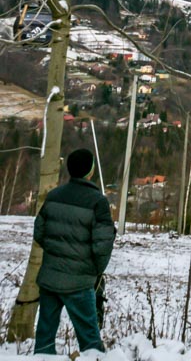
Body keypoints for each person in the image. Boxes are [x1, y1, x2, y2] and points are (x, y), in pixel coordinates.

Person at [33, 147, 116, 354]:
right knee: (90, 343)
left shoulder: (53, 196)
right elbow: (103, 244)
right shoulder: (98, 202)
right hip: (79, 282)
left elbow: (39, 232)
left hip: (49, 279)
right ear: (90, 171)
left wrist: (55, 254)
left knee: (44, 340)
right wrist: (94, 271)